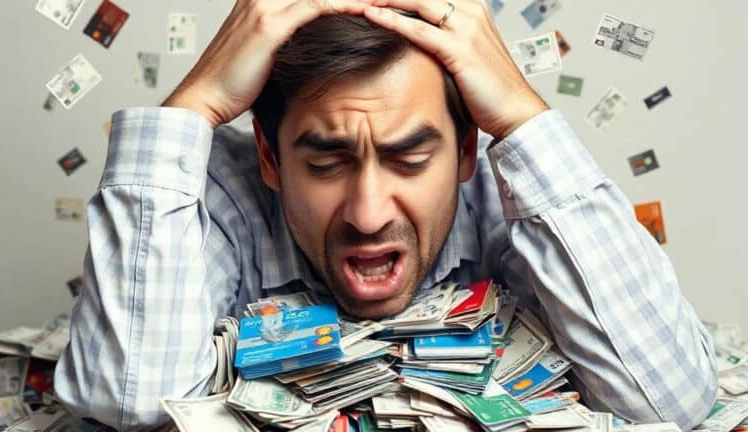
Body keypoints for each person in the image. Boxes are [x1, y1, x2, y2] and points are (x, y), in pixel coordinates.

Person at [53, 0, 717, 430]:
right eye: (326, 162)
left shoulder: (510, 187)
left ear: (465, 151)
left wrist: (523, 117)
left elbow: (668, 400)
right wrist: (189, 108)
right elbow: (127, 403)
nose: (369, 215)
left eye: (409, 157)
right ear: (271, 157)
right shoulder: (219, 189)